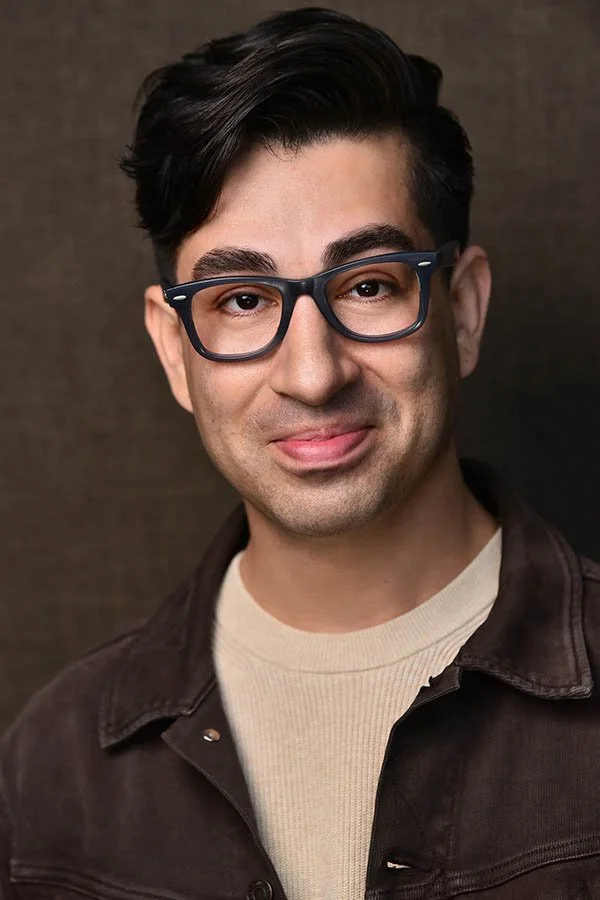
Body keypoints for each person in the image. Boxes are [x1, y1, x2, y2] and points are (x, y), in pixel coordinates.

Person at [2, 6, 600, 900]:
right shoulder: (54, 763)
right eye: (242, 300)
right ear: (174, 349)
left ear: (464, 312)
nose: (312, 375)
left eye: (367, 285)